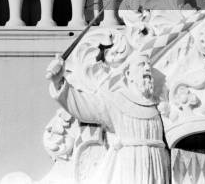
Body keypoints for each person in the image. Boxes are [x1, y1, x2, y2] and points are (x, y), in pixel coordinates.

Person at [46, 51, 170, 184]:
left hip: (159, 168)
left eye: (148, 65)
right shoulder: (117, 100)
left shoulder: (157, 105)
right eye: (141, 64)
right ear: (129, 74)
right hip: (131, 166)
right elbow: (85, 105)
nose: (147, 68)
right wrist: (58, 82)